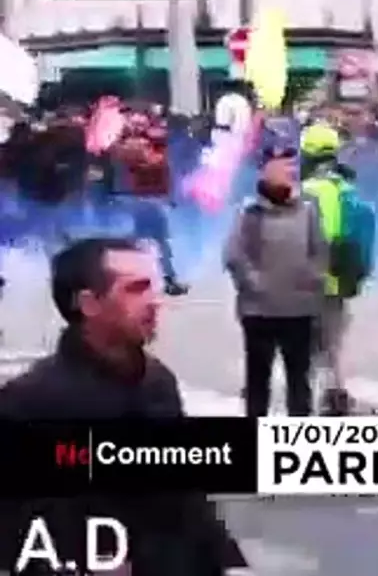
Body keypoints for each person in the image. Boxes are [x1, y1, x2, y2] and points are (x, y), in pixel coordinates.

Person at [0, 237, 246, 574]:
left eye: (154, 287)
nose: (154, 302)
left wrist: (229, 562)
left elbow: (185, 493)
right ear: (89, 303)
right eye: (136, 289)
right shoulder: (31, 401)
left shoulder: (158, 383)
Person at [224, 145, 326, 416]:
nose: (289, 172)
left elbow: (320, 250)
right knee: (258, 382)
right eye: (281, 166)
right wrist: (255, 284)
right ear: (265, 171)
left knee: (300, 383)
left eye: (292, 166)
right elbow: (234, 255)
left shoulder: (308, 209)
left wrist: (313, 279)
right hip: (259, 312)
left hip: (299, 309)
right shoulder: (249, 212)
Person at [299, 121, 375, 415]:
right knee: (332, 344)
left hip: (307, 281)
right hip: (340, 281)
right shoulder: (348, 190)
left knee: (307, 347)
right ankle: (336, 392)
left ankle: (315, 397)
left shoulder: (304, 191)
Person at [112, 110, 188, 296]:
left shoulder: (122, 147)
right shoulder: (144, 149)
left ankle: (125, 278)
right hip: (148, 199)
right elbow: (157, 169)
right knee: (160, 242)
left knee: (137, 240)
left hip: (134, 198)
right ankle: (168, 280)